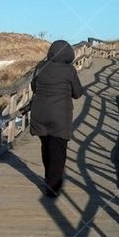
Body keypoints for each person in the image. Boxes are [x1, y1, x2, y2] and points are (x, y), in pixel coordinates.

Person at [29, 40, 83, 197]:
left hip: (40, 113)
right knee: (58, 151)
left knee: (46, 147)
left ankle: (48, 179)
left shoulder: (41, 67)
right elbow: (78, 93)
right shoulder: (69, 70)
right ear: (69, 54)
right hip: (60, 117)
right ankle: (53, 187)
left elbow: (34, 87)